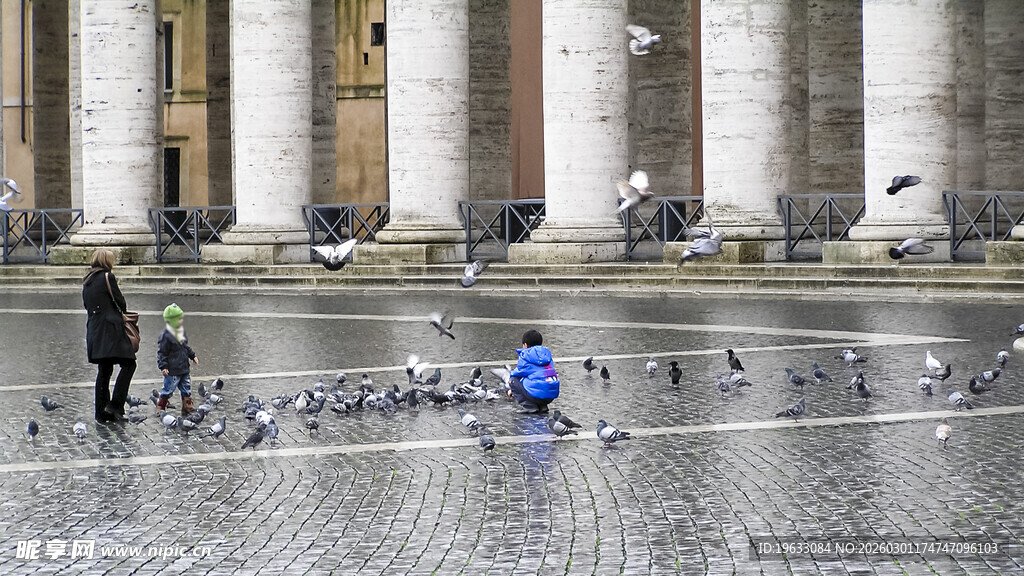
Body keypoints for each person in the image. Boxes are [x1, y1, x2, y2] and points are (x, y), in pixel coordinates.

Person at [82, 249, 136, 423]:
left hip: (95, 331)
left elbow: (86, 304)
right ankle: (115, 405)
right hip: (111, 330)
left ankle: (101, 412)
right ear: (107, 262)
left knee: (104, 371)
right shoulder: (108, 277)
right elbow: (121, 302)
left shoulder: (87, 280)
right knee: (129, 364)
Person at [156, 303, 199, 415]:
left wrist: (192, 355)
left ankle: (187, 406)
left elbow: (185, 347)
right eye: (179, 319)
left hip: (184, 368)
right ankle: (161, 406)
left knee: (186, 388)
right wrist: (163, 366)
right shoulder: (165, 335)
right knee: (168, 389)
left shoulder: (181, 332)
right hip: (173, 370)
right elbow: (162, 352)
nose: (181, 321)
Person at [508, 329, 560, 414]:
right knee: (539, 379)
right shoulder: (546, 354)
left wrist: (512, 388)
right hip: (551, 395)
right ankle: (543, 406)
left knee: (513, 380)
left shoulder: (525, 355)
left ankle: (530, 406)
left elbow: (518, 373)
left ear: (525, 345)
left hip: (536, 395)